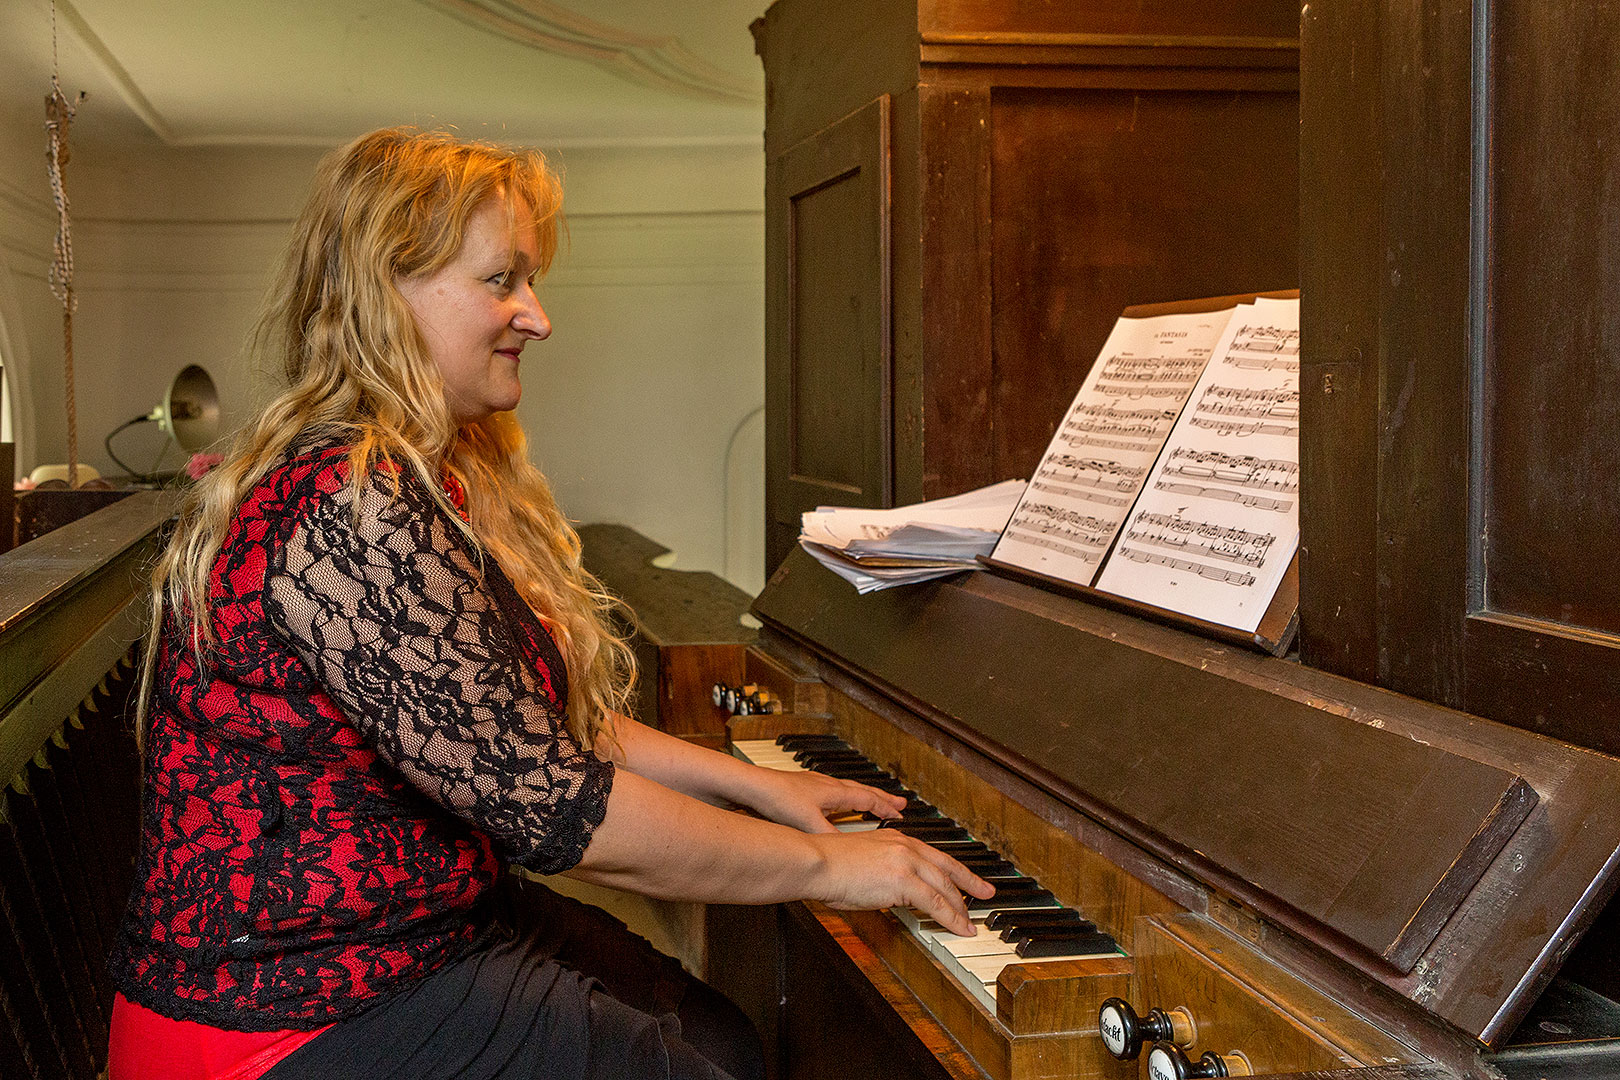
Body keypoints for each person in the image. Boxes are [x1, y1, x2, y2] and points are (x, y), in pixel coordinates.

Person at [106, 127, 992, 1080]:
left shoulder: (415, 474)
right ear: (387, 291)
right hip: (285, 1007)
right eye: (502, 280)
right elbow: (562, 812)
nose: (537, 316)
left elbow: (518, 728)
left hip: (410, 937)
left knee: (721, 1040)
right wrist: (830, 868)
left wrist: (759, 785)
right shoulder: (350, 502)